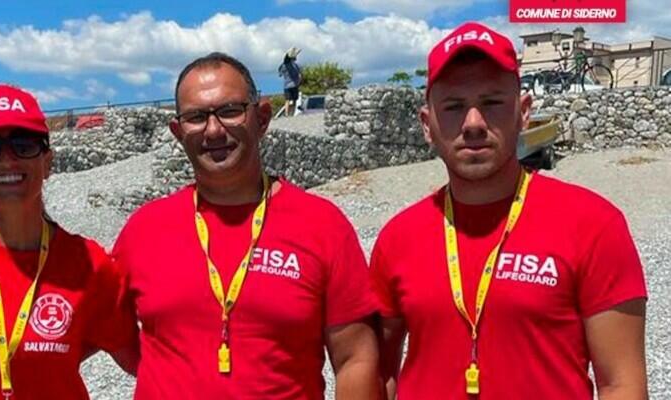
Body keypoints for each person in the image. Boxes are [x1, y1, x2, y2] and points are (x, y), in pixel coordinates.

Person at [371, 22, 648, 399]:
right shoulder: (397, 239)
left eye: (492, 103)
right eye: (453, 107)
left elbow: (622, 385)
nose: (473, 124)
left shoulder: (594, 225)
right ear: (426, 126)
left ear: (523, 113)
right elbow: (379, 375)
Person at [113, 52, 381, 399]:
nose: (213, 129)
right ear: (178, 132)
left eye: (229, 111)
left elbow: (355, 358)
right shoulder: (144, 230)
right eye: (196, 117)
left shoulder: (322, 225)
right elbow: (107, 331)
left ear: (262, 118)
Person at [0, 84, 139, 399]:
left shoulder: (90, 262)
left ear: (48, 162)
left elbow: (144, 361)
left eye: (24, 145)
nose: (7, 161)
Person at [278, 47, 302, 116]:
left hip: (286, 86)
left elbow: (280, 74)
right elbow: (299, 75)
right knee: (294, 100)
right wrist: (299, 82)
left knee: (287, 100)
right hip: (294, 84)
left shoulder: (283, 66)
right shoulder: (296, 65)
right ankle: (292, 113)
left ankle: (286, 113)